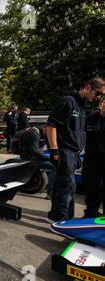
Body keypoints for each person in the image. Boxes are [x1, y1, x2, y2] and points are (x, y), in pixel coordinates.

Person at [46, 78, 104, 223]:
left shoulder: (83, 107)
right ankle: (62, 219)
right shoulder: (69, 101)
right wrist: (54, 149)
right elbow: (52, 125)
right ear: (88, 88)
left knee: (63, 185)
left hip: (74, 153)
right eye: (97, 94)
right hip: (64, 150)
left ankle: (56, 216)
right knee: (68, 185)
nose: (98, 98)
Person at [82, 95, 105, 218]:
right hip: (92, 160)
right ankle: (90, 214)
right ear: (100, 104)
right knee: (91, 190)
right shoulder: (90, 117)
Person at [19, 126, 55, 199]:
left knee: (54, 163)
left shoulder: (42, 134)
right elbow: (35, 151)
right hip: (30, 158)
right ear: (45, 128)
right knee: (55, 166)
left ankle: (47, 185)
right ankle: (50, 193)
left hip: (36, 157)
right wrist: (49, 158)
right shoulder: (33, 133)